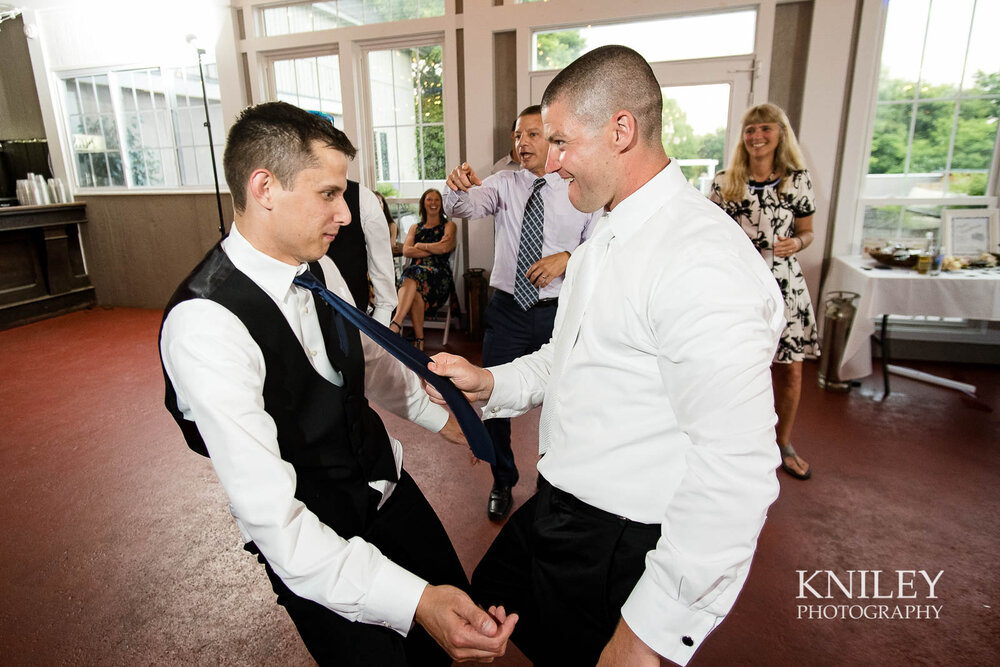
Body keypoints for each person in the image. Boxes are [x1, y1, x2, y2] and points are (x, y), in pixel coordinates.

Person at [426, 46, 784, 666]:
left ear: (622, 130)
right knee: (473, 620)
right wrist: (491, 381)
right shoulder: (605, 234)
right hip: (560, 500)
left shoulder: (701, 261)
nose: (552, 161)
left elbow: (737, 471)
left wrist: (649, 636)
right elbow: (566, 356)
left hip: (622, 536)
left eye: (563, 142)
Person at [159, 101, 515, 666]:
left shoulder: (317, 268)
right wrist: (416, 601)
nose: (346, 215)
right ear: (264, 187)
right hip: (313, 539)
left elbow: (367, 361)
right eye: (329, 194)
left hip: (387, 486)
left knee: (461, 627)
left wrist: (445, 421)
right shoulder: (205, 325)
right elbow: (277, 524)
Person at [444, 105, 598, 522]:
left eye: (532, 134)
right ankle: (503, 479)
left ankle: (556, 482)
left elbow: (600, 245)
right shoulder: (504, 184)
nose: (521, 143)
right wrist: (456, 189)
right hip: (509, 309)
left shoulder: (579, 189)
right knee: (493, 396)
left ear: (553, 141)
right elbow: (463, 209)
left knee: (565, 399)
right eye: (517, 136)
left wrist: (567, 257)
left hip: (559, 312)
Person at [709, 103, 819, 481]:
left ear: (780, 134)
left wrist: (798, 244)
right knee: (734, 368)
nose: (756, 136)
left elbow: (807, 231)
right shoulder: (725, 181)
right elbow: (709, 231)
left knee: (789, 370)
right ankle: (730, 446)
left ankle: (782, 442)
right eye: (750, 129)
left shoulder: (796, 179)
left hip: (785, 283)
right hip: (739, 284)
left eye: (765, 129)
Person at [389, 189, 456, 351]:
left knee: (411, 273)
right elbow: (406, 251)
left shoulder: (449, 226)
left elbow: (446, 248)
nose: (433, 203)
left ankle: (395, 324)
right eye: (429, 200)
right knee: (414, 281)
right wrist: (435, 247)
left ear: (441, 204)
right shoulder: (415, 228)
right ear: (423, 204)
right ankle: (419, 341)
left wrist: (420, 246)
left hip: (439, 275)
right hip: (416, 277)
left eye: (436, 200)